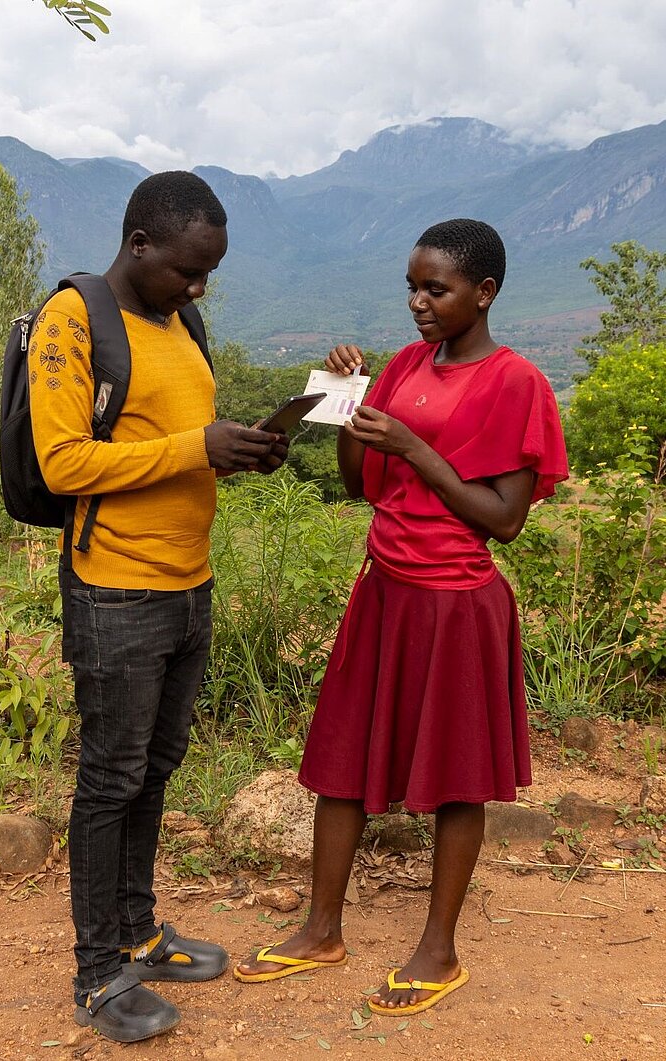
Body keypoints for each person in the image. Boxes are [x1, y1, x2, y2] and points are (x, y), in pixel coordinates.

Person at [234, 218, 568, 1016]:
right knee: (341, 758)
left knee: (458, 777)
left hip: (456, 604)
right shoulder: (410, 366)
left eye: (436, 289)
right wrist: (349, 400)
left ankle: (438, 949)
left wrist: (418, 448)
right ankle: (321, 928)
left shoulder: (516, 383)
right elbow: (361, 484)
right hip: (384, 589)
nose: (418, 303)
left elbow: (504, 518)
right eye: (411, 287)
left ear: (483, 293)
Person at [28, 171, 288, 1043]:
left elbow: (169, 449)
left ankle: (137, 930)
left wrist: (238, 453)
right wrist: (196, 446)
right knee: (109, 779)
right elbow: (64, 463)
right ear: (140, 245)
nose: (197, 288)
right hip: (115, 589)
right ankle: (98, 973)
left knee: (154, 768)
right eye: (186, 270)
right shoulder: (73, 320)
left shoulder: (183, 322)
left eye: (208, 273)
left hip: (187, 584)